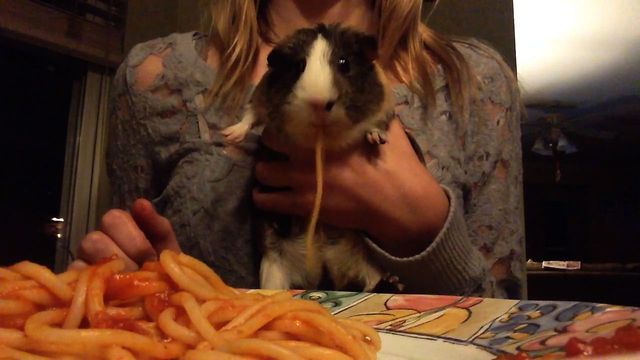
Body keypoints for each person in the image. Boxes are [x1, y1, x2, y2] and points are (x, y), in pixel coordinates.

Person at [77, 0, 526, 299]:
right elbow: (127, 281)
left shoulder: (476, 80)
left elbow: (507, 318)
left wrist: (425, 230)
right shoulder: (153, 78)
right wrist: (152, 288)